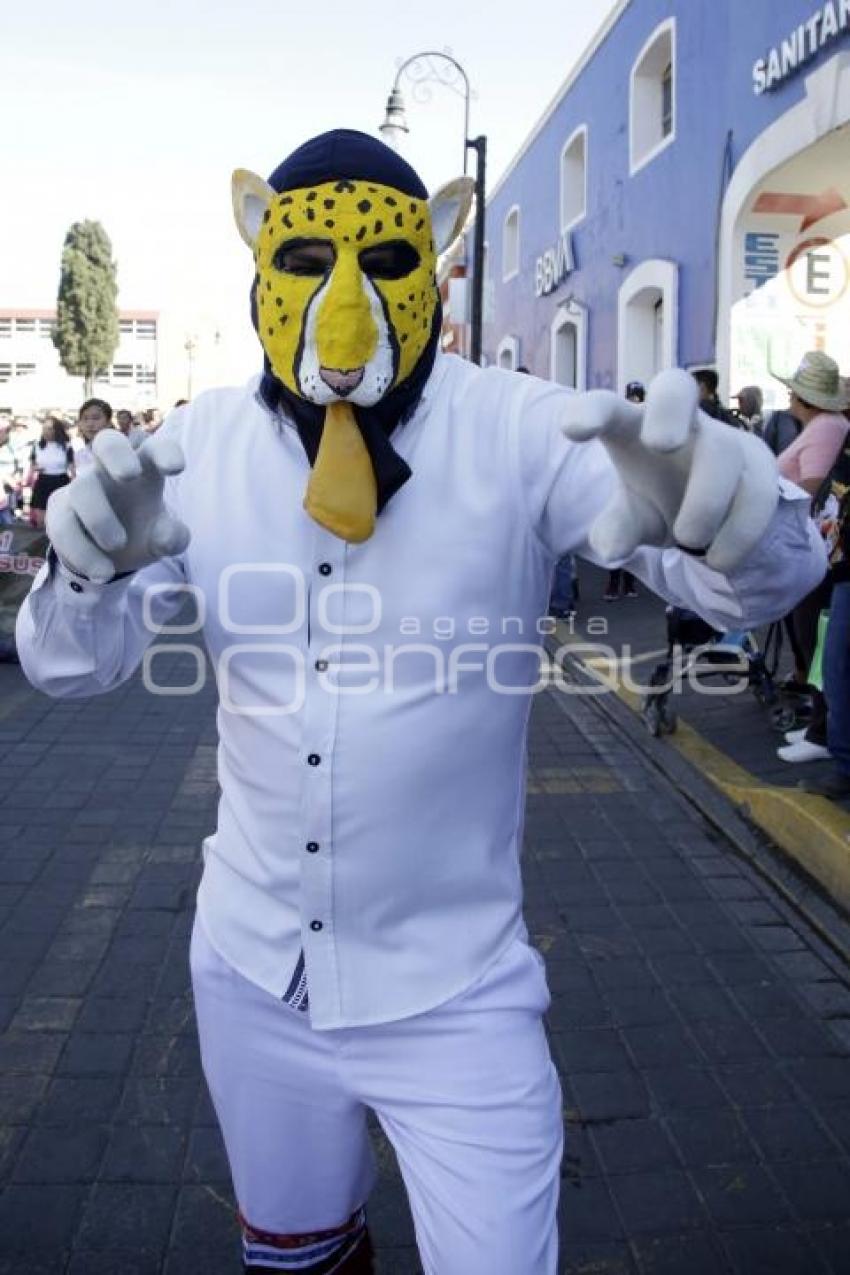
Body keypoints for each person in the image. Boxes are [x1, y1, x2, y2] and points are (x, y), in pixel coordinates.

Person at [17, 129, 825, 1275]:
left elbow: (753, 582)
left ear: (437, 261)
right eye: (301, 265)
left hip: (457, 996)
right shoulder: (194, 445)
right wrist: (83, 574)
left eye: (385, 267)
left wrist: (732, 515)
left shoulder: (520, 426)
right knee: (295, 1258)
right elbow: (65, 668)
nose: (343, 319)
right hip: (250, 975)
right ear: (256, 258)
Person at [774, 352, 849, 765]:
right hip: (815, 548)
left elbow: (816, 491)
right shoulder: (826, 426)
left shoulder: (826, 428)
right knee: (817, 642)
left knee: (819, 642)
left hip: (817, 549)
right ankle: (822, 727)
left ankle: (824, 730)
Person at [603, 383, 645, 600]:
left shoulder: (647, 425)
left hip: (639, 490)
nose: (634, 401)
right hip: (618, 487)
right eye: (631, 397)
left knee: (634, 541)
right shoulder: (618, 425)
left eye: (637, 397)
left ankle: (629, 583)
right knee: (617, 538)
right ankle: (613, 583)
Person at [26, 417, 74, 528]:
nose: (46, 431)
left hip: (61, 482)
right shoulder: (37, 446)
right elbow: (32, 465)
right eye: (44, 428)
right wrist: (35, 468)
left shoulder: (66, 446)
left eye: (50, 428)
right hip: (43, 481)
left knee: (60, 518)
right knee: (41, 520)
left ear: (57, 430)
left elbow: (72, 468)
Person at [74, 397, 114, 472]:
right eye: (85, 419)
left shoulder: (117, 451)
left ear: (108, 423)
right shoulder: (80, 454)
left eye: (96, 418)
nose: (90, 424)